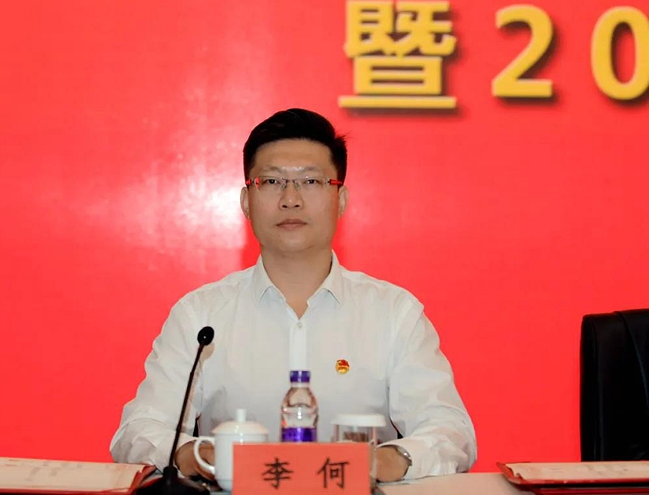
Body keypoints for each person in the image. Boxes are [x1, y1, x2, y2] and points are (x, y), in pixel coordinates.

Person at [110, 108, 476, 482]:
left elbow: (450, 431)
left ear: (341, 200)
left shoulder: (394, 313)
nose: (290, 199)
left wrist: (387, 461)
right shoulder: (200, 315)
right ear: (246, 202)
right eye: (271, 181)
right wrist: (193, 455)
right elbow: (139, 430)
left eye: (311, 181)